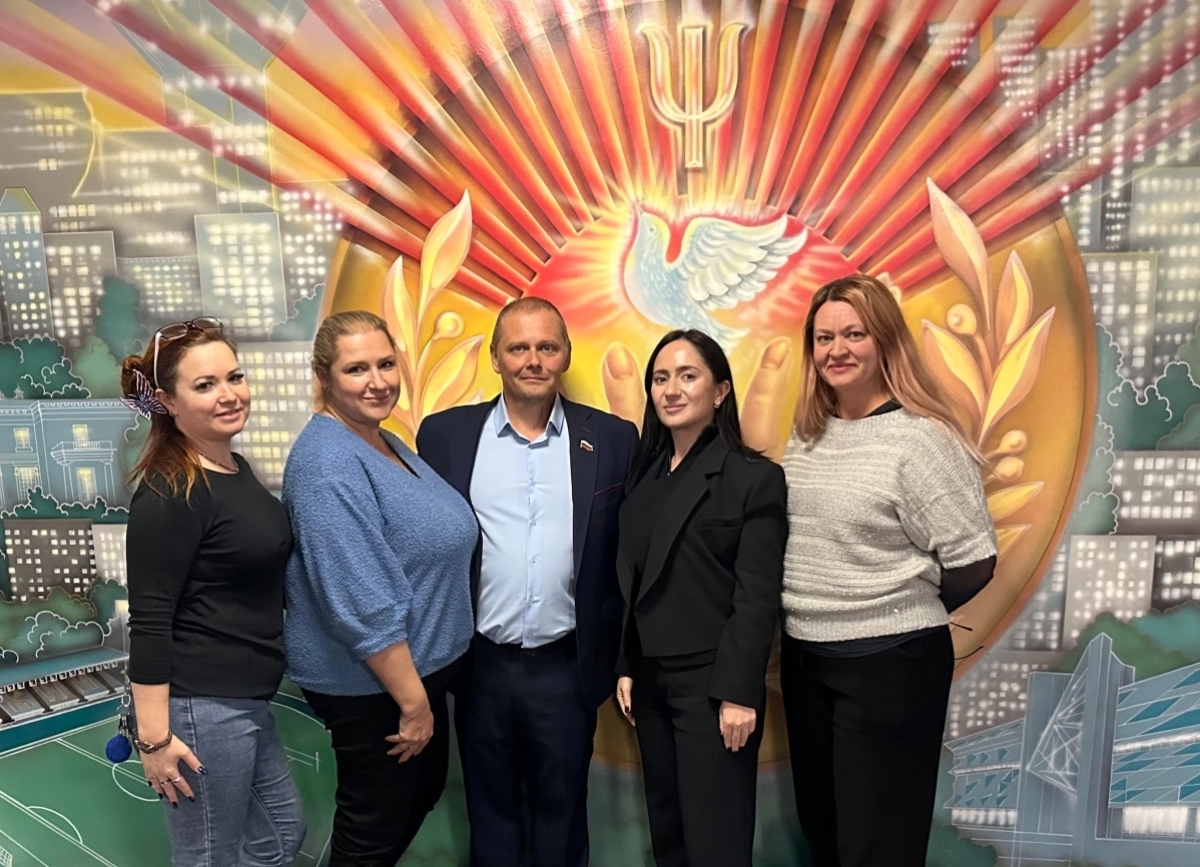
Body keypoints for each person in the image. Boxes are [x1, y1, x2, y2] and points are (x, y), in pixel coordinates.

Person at [780, 275, 998, 867]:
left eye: (855, 334)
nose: (837, 350)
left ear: (885, 341)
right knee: (825, 834)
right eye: (824, 337)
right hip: (806, 660)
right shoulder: (807, 435)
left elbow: (975, 561)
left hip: (889, 664)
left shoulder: (923, 439)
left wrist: (897, 605)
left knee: (877, 847)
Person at [417, 297, 639, 867]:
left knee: (562, 821)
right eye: (518, 347)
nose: (533, 360)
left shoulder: (613, 438)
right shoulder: (444, 437)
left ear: (566, 355)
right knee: (492, 819)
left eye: (546, 347)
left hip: (567, 668)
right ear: (496, 357)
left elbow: (630, 555)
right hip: (480, 668)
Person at [282, 310, 476, 866]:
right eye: (356, 369)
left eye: (386, 364)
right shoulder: (327, 462)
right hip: (374, 687)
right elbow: (358, 598)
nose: (377, 381)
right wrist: (414, 705)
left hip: (413, 676)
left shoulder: (381, 440)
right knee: (371, 836)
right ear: (324, 378)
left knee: (412, 801)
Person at [123, 317, 307, 867]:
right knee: (209, 858)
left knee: (279, 836)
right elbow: (150, 619)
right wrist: (154, 740)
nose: (229, 394)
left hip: (244, 701)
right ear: (167, 402)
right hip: (201, 708)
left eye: (235, 377)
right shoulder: (170, 490)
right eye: (205, 385)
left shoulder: (232, 467)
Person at [614, 329, 787, 867]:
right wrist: (626, 663)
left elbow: (757, 595)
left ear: (720, 391)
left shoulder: (754, 477)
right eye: (660, 378)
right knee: (669, 836)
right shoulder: (643, 477)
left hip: (713, 688)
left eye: (688, 376)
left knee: (715, 842)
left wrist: (739, 694)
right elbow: (633, 579)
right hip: (650, 684)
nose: (671, 390)